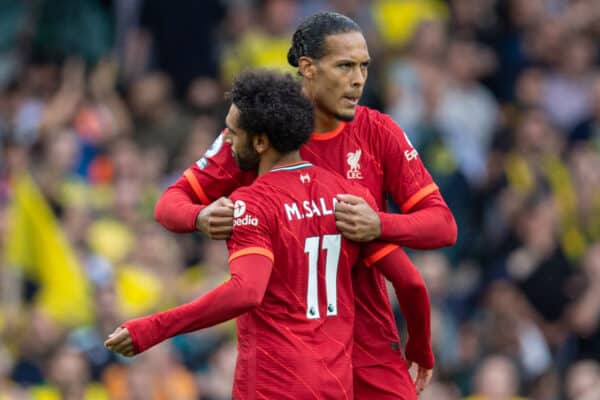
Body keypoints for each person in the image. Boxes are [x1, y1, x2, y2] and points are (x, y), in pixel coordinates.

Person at [155, 12, 456, 398]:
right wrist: (199, 217)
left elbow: (443, 225)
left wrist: (378, 225)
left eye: (364, 66)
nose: (358, 80)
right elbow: (169, 203)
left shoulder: (379, 132)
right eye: (345, 66)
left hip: (369, 342)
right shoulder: (258, 131)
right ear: (307, 68)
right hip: (293, 352)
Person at [104, 70, 431, 399]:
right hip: (335, 383)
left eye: (233, 132)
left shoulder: (253, 203)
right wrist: (420, 349)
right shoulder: (349, 196)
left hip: (275, 383)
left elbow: (246, 293)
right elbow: (411, 283)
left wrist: (151, 328)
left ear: (260, 141)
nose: (227, 141)